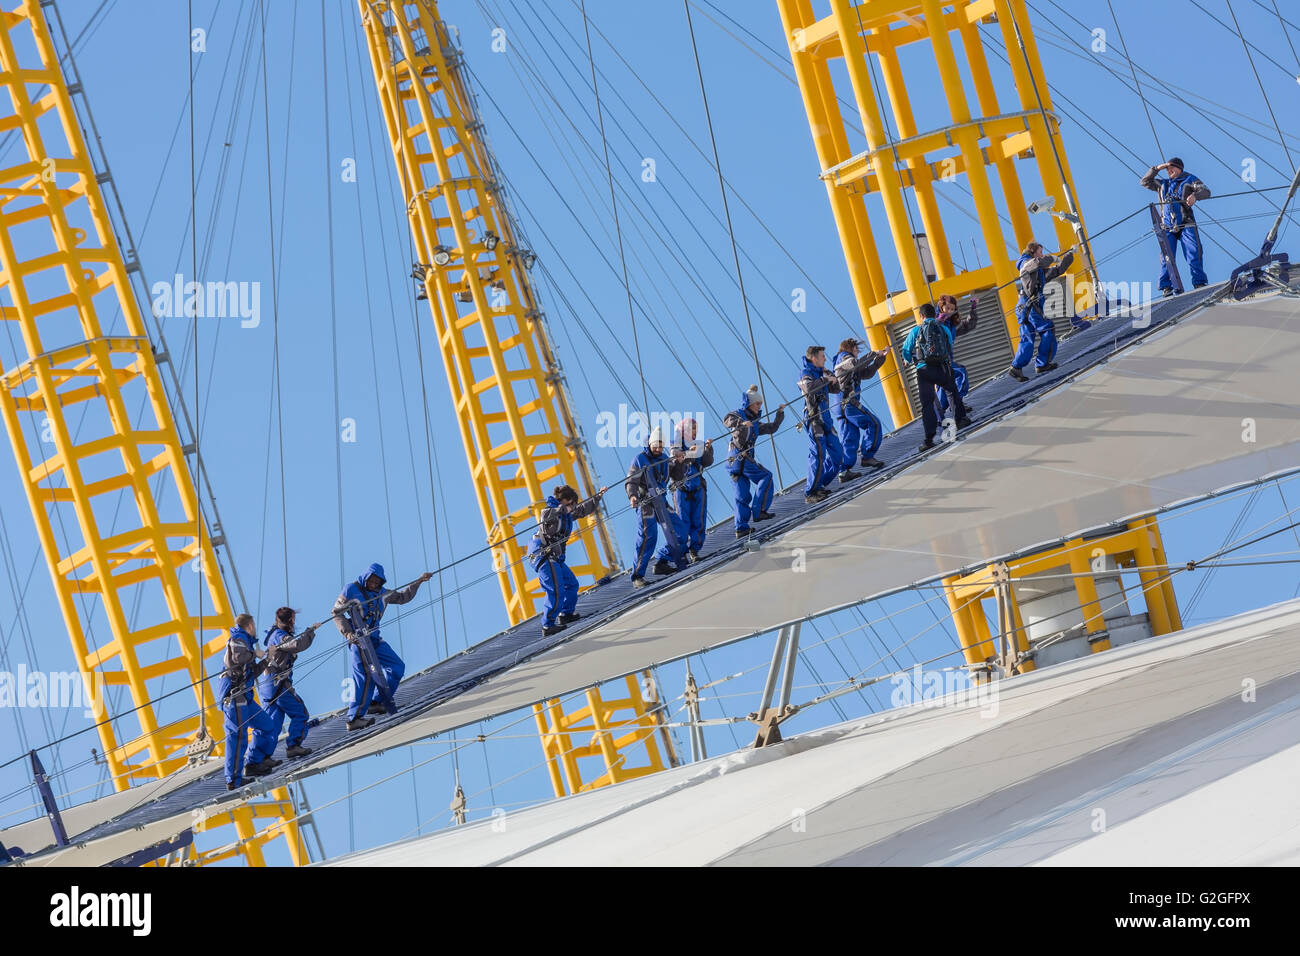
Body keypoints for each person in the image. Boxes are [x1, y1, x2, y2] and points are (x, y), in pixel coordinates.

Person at [333, 563, 433, 730]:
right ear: (366, 577)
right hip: (360, 642)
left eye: (377, 582)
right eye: (371, 580)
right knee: (365, 678)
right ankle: (354, 718)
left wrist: (419, 582)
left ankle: (375, 702)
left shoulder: (383, 594)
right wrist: (349, 634)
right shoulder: (351, 589)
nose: (373, 584)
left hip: (375, 640)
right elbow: (336, 612)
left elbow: (403, 597)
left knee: (397, 667)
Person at [528, 484, 608, 636]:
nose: (572, 506)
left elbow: (584, 509)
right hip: (544, 555)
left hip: (555, 557)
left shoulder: (568, 514)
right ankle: (547, 625)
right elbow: (547, 517)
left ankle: (565, 614)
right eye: (570, 503)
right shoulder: (549, 510)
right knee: (555, 590)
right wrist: (562, 509)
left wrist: (598, 497)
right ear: (563, 500)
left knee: (572, 584)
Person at [218, 613, 279, 790]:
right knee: (237, 737)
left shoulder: (246, 644)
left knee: (267, 725)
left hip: (245, 697)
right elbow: (239, 658)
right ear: (250, 626)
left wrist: (267, 658)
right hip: (235, 697)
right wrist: (257, 653)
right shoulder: (237, 638)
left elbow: (252, 671)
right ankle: (232, 780)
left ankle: (253, 763)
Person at [625, 427, 690, 588]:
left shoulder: (665, 459)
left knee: (680, 530)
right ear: (650, 443)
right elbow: (631, 481)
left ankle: (662, 560)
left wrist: (680, 463)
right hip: (646, 504)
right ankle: (637, 576)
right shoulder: (640, 459)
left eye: (661, 446)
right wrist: (632, 496)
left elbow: (677, 476)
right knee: (648, 537)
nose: (659, 449)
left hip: (662, 502)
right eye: (656, 446)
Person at [903, 303, 971, 452]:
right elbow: (949, 345)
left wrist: (911, 360)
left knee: (927, 404)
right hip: (942, 367)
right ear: (934, 314)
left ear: (921, 316)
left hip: (924, 370)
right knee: (951, 391)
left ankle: (929, 438)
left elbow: (906, 350)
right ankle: (960, 420)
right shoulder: (943, 328)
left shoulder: (916, 330)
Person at [1140, 157, 1210, 295]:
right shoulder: (1162, 184)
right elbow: (1145, 182)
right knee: (1167, 256)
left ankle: (1199, 282)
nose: (1169, 171)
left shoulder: (1189, 179)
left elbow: (1206, 191)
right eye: (1167, 169)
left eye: (1172, 168)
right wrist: (1157, 168)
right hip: (1167, 226)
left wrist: (1195, 195)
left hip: (1186, 223)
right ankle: (1166, 286)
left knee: (1193, 252)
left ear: (1179, 168)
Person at [723, 386, 785, 538]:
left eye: (760, 404)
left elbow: (771, 428)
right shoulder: (739, 414)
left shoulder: (755, 423)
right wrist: (741, 424)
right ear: (749, 404)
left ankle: (741, 528)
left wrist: (779, 414)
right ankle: (759, 511)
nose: (760, 407)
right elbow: (727, 419)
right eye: (757, 404)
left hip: (735, 463)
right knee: (766, 476)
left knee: (741, 495)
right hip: (740, 458)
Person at [1007, 242, 1074, 382]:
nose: (1042, 254)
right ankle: (1042, 364)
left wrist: (1069, 255)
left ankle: (1016, 367)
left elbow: (1056, 271)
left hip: (1024, 306)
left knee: (1027, 337)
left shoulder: (1037, 271)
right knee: (1047, 330)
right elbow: (1037, 263)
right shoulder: (1026, 263)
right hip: (1032, 306)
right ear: (1033, 252)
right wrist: (1053, 258)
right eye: (1040, 251)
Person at [799, 345, 857, 504]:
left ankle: (820, 484)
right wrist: (825, 379)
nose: (825, 358)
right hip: (814, 418)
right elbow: (809, 388)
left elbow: (836, 388)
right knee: (818, 454)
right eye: (822, 356)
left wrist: (831, 376)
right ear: (814, 358)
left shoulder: (820, 372)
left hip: (826, 419)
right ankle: (810, 492)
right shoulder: (806, 373)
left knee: (838, 453)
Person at [257, 607, 317, 759]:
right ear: (290, 620)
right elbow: (296, 645)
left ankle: (259, 758)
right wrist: (310, 632)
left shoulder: (273, 635)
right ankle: (294, 746)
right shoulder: (280, 636)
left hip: (267, 684)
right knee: (301, 713)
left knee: (272, 724)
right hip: (278, 683)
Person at [831, 339, 889, 472]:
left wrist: (879, 360)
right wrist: (874, 353)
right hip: (849, 403)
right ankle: (868, 456)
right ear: (850, 348)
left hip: (841, 407)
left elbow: (866, 373)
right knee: (873, 423)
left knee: (849, 440)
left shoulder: (843, 363)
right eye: (856, 349)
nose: (857, 353)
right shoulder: (845, 357)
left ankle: (843, 471)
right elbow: (856, 364)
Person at [672, 418, 713, 560]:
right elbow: (674, 460)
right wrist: (689, 453)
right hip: (682, 489)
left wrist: (707, 449)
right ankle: (681, 553)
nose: (694, 432)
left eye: (695, 429)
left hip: (698, 487)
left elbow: (707, 462)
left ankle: (695, 550)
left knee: (699, 520)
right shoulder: (675, 446)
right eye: (691, 429)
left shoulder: (699, 444)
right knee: (682, 522)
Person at [935, 294, 979, 418]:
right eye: (946, 308)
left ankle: (938, 414)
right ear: (941, 307)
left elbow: (968, 325)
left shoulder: (951, 325)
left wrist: (973, 309)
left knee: (943, 388)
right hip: (938, 360)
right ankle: (957, 401)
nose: (949, 311)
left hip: (946, 360)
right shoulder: (934, 322)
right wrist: (939, 321)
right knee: (960, 372)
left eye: (952, 309)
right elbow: (929, 331)